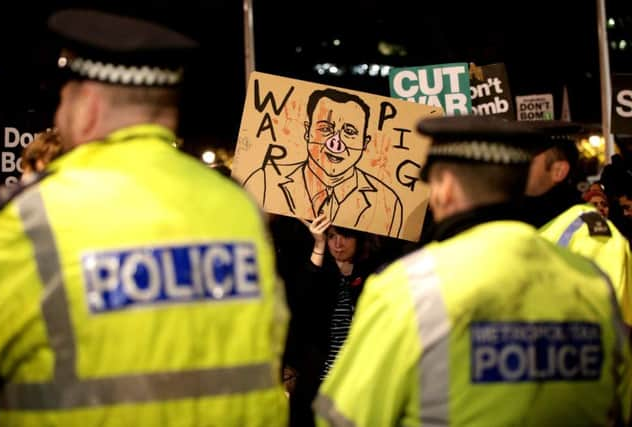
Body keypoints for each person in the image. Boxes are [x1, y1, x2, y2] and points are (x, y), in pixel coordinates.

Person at [0, 9, 288, 426]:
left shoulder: (31, 220)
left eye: (63, 100)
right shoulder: (238, 210)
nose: (58, 115)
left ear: (88, 107)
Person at [314, 116, 631, 427]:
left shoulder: (409, 285)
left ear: (446, 187)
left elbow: (343, 417)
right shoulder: (591, 281)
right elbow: (622, 398)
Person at [243, 88, 403, 238]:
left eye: (349, 132)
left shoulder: (387, 201)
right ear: (307, 131)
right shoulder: (263, 181)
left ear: (365, 143)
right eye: (325, 129)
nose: (335, 143)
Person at [523, 121, 632, 326]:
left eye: (527, 161)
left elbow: (602, 328)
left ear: (558, 171)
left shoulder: (591, 235)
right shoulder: (528, 224)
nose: (516, 168)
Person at [284, 214, 380, 427]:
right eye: (331, 236)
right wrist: (318, 244)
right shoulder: (318, 268)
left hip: (356, 382)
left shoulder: (371, 275)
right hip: (318, 380)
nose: (338, 243)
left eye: (345, 236)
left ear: (358, 239)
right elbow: (302, 302)